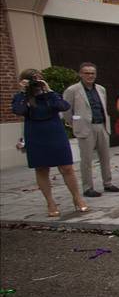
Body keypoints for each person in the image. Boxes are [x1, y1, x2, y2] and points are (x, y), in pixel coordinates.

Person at [12, 69, 88, 215]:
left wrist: (48, 90)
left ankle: (77, 198)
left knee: (67, 167)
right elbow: (19, 111)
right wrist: (23, 92)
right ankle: (50, 203)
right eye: (32, 79)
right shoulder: (21, 97)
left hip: (55, 132)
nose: (36, 82)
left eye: (38, 78)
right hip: (35, 134)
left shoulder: (50, 95)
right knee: (41, 169)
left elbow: (64, 106)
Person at [62, 62, 119, 197]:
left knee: (105, 157)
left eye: (92, 73)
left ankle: (108, 183)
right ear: (81, 74)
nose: (90, 76)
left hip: (101, 125)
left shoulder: (101, 89)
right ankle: (88, 187)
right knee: (87, 159)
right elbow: (66, 110)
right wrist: (74, 123)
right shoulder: (73, 90)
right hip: (85, 128)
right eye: (87, 73)